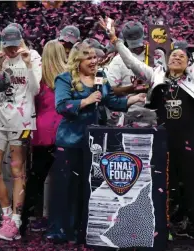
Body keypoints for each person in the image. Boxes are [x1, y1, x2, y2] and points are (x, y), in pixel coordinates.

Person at [100, 17, 194, 248]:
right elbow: (131, 63)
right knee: (162, 186)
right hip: (161, 141)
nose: (177, 57)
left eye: (182, 56)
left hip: (188, 140)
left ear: (188, 63)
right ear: (167, 62)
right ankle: (161, 229)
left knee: (191, 187)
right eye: (173, 56)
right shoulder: (156, 75)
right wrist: (116, 41)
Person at [46, 43, 145, 242]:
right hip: (71, 141)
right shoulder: (64, 79)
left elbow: (109, 101)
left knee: (89, 187)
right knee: (67, 188)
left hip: (96, 143)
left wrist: (132, 99)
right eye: (88, 58)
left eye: (94, 57)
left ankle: (84, 230)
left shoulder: (100, 77)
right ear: (77, 61)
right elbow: (61, 106)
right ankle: (61, 230)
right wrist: (85, 101)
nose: (93, 61)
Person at [0, 25, 42, 241]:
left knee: (18, 169)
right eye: (7, 46)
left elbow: (35, 90)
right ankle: (6, 214)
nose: (11, 50)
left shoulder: (33, 56)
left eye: (14, 45)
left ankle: (16, 219)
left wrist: (27, 65)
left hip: (23, 121)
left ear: (20, 41)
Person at [20, 40, 67, 235]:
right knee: (63, 180)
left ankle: (24, 220)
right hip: (64, 131)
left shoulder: (38, 77)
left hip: (41, 132)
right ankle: (61, 220)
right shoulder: (68, 77)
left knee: (36, 178)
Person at [107, 21, 157, 127]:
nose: (136, 48)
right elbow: (110, 90)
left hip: (155, 114)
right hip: (129, 114)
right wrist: (131, 89)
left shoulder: (156, 55)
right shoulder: (118, 60)